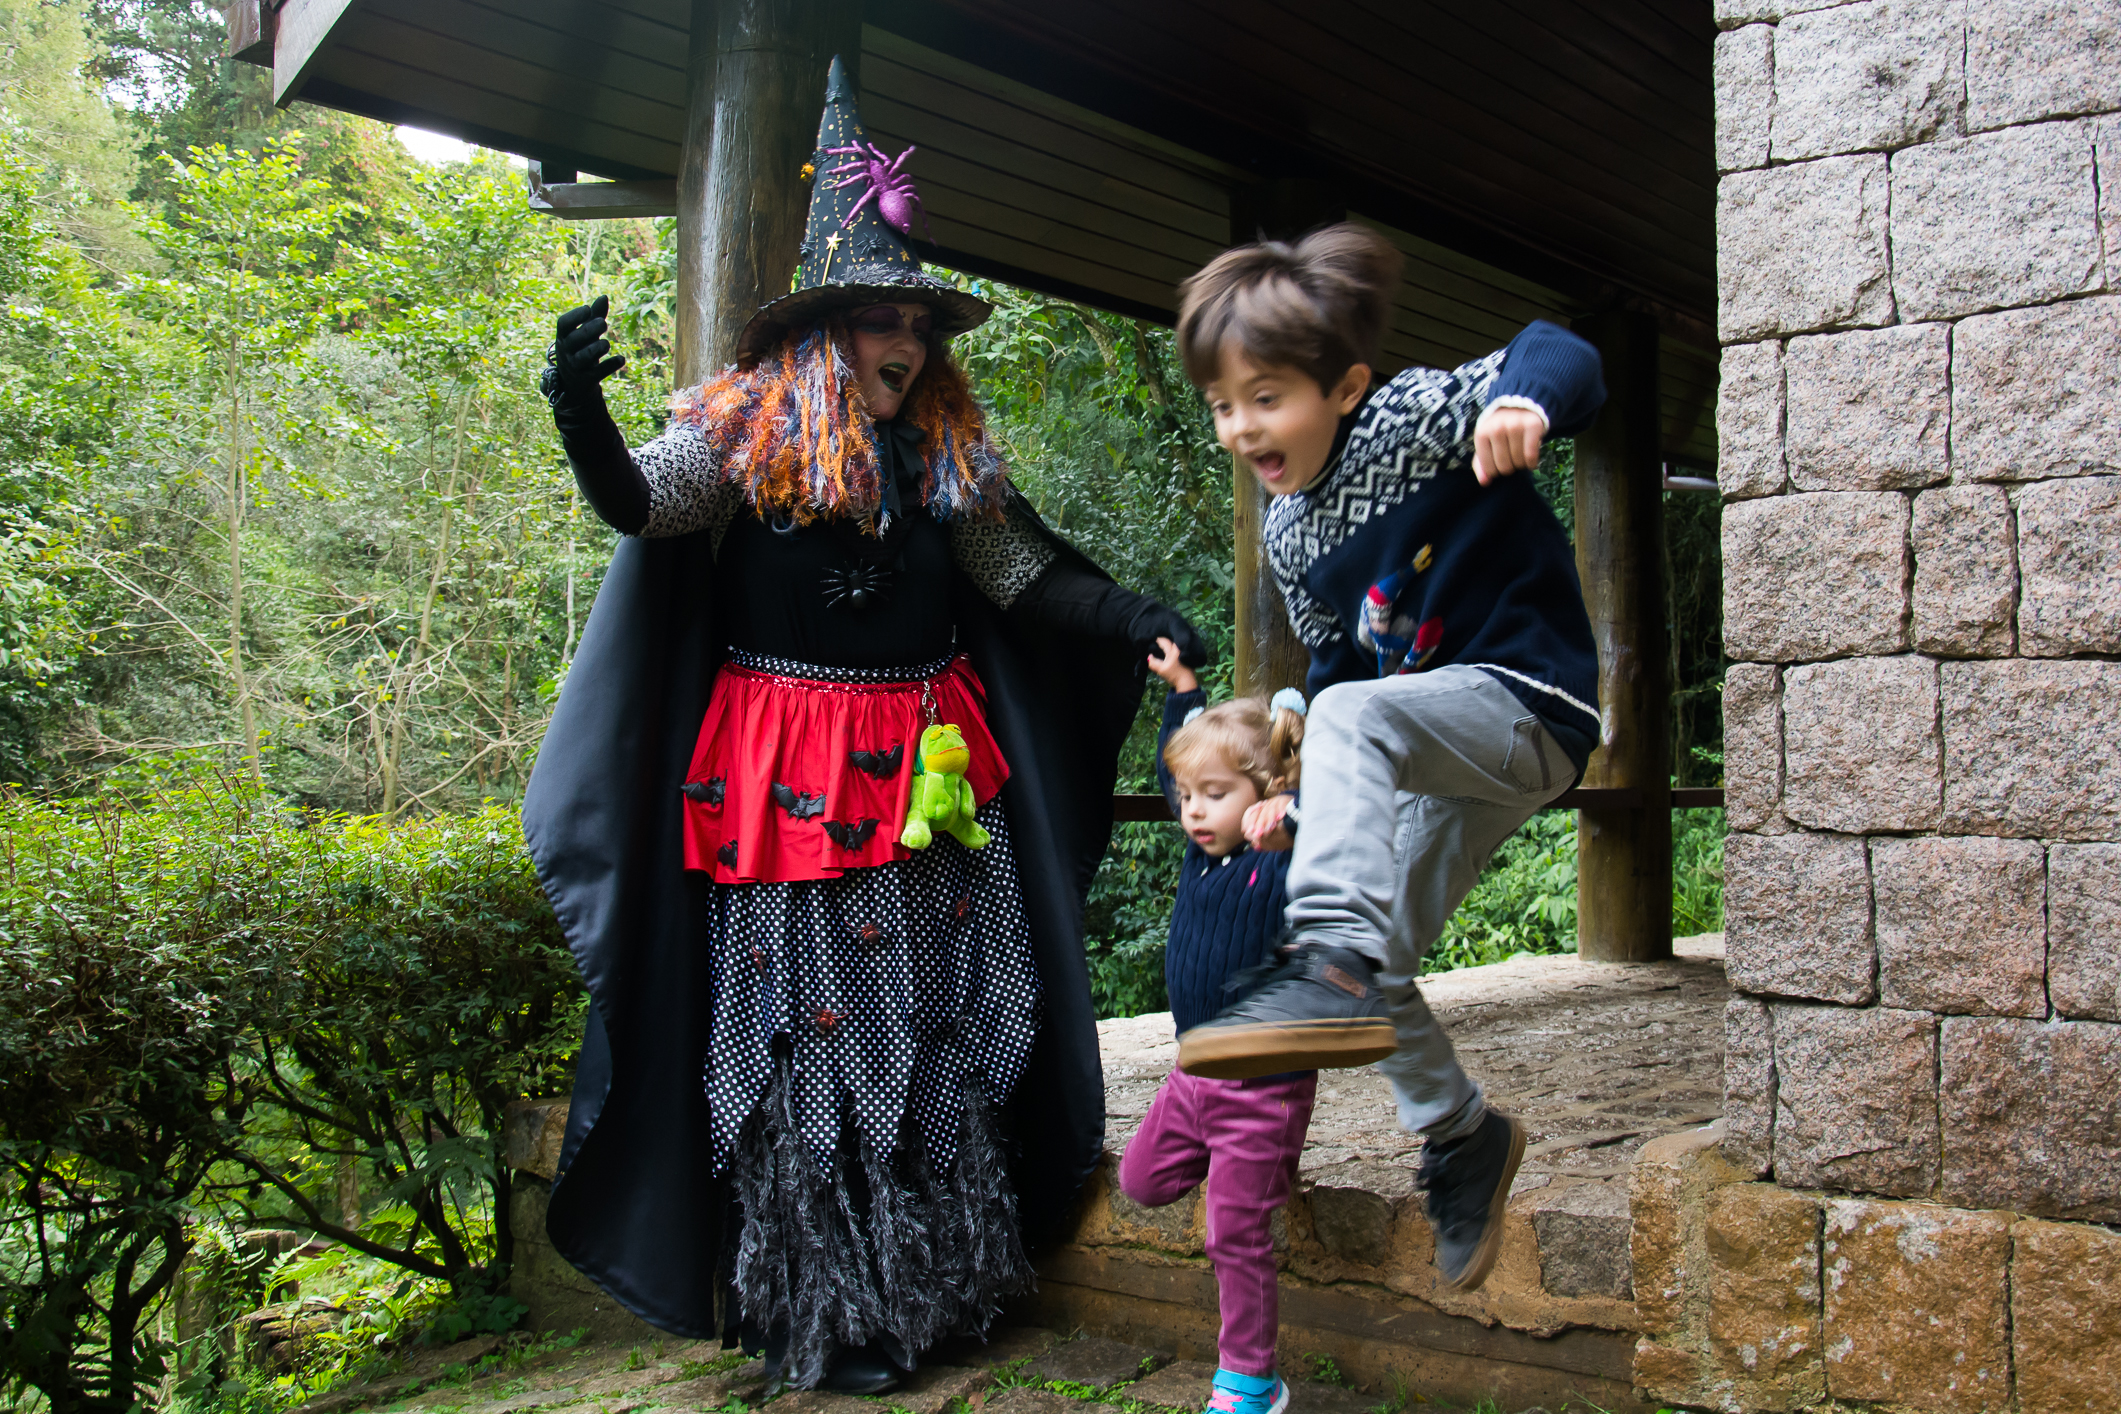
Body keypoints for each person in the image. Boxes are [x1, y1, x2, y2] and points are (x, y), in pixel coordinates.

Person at [522, 57, 1205, 1394]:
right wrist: (579, 413)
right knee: (812, 1039)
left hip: (933, 781)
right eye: (880, 316)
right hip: (785, 789)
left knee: (939, 1022)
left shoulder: (944, 460)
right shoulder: (738, 441)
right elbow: (640, 505)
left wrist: (1132, 617)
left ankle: (945, 1291)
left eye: (917, 319)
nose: (906, 339)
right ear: (823, 332)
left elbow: (1020, 578)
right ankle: (829, 1314)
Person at [1168, 224, 1605, 1293]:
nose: (1240, 427)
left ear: (1347, 385)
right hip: (1430, 739)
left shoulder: (1410, 420)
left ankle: (1322, 962)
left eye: (1266, 397)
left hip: (1528, 701)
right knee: (1379, 963)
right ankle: (1462, 1134)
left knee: (1339, 927)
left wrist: (1525, 405)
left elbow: (1562, 349)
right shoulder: (1288, 530)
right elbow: (1333, 661)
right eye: (1223, 404)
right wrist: (1302, 790)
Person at [1117, 639, 1309, 1414]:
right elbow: (1175, 772)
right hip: (1192, 1073)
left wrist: (1290, 816)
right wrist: (1183, 689)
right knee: (1141, 1180)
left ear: (1261, 794)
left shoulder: (1284, 858)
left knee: (1232, 1239)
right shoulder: (1202, 855)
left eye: (1215, 794)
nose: (1193, 809)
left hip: (1262, 1081)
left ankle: (1250, 1382)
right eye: (1189, 796)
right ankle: (1258, 1173)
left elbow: (1332, 816)